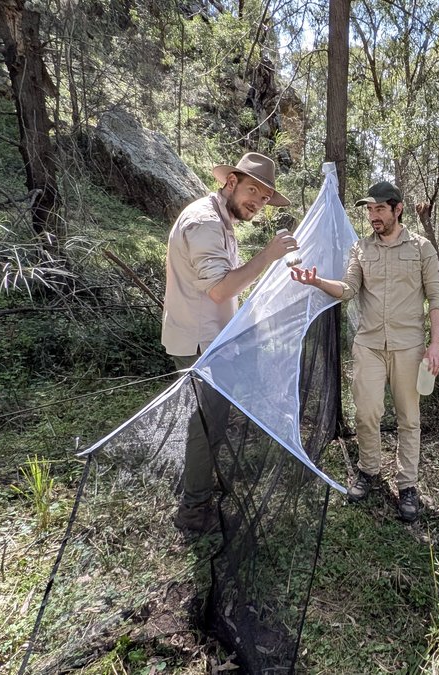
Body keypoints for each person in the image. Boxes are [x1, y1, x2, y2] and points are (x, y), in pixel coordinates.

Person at [289, 180, 439, 522]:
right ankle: (368, 471)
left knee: (408, 418)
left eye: (379, 209)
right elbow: (347, 289)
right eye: (369, 210)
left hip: (409, 346)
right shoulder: (360, 249)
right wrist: (316, 282)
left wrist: (435, 344)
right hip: (369, 344)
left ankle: (407, 486)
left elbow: (436, 298)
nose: (373, 216)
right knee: (367, 412)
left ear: (397, 208)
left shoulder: (422, 249)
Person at [162, 151, 298, 534]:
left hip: (212, 339)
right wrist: (268, 256)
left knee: (210, 421)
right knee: (205, 425)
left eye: (265, 197)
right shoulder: (204, 223)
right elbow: (221, 290)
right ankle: (193, 510)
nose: (258, 201)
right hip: (199, 342)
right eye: (253, 190)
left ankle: (197, 483)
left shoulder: (221, 220)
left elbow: (224, 285)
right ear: (232, 181)